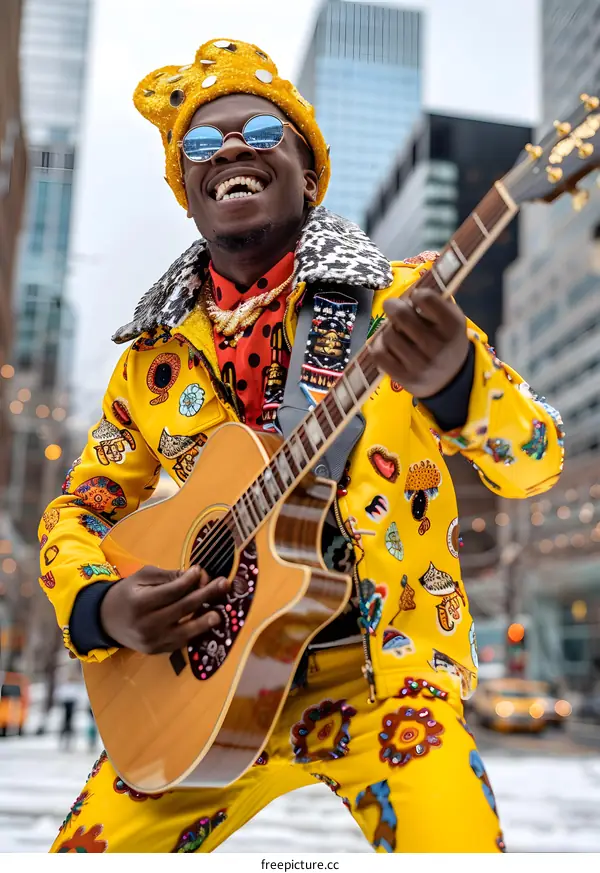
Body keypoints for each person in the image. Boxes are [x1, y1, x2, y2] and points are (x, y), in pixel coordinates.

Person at [39, 39, 564, 854]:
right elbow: (81, 509)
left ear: (309, 174)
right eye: (202, 145)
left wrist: (457, 382)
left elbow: (536, 460)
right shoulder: (150, 364)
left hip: (385, 685)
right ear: (188, 194)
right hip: (200, 696)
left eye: (261, 132)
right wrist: (100, 605)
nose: (231, 149)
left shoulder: (401, 300)